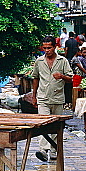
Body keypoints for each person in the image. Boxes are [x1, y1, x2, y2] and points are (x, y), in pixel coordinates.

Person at [32, 35, 74, 163]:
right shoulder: (39, 61)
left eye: (49, 48)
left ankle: (54, 150)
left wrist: (61, 76)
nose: (47, 50)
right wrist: (34, 96)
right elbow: (35, 78)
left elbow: (70, 78)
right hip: (43, 98)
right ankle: (43, 150)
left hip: (57, 98)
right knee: (43, 124)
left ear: (55, 47)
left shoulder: (62, 61)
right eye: (44, 48)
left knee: (55, 126)